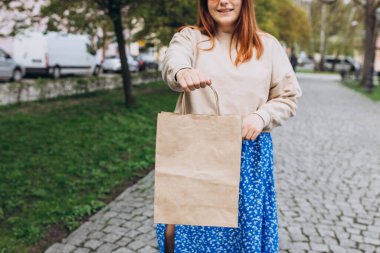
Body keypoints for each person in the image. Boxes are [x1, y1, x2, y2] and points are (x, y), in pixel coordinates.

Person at [156, 0, 302, 252]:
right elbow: (173, 60)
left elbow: (287, 97)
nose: (223, 1)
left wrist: (261, 116)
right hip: (197, 151)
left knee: (242, 237)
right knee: (190, 235)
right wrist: (182, 71)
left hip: (248, 154)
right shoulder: (190, 38)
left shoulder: (268, 45)